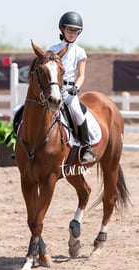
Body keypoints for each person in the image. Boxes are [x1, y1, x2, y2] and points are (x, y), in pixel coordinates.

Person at [50, 11, 96, 164]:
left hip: (69, 91)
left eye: (75, 31)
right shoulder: (53, 49)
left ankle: (86, 146)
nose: (72, 33)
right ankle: (21, 144)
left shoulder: (80, 52)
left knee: (78, 112)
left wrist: (76, 87)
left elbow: (81, 75)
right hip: (53, 89)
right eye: (69, 30)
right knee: (27, 108)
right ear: (62, 29)